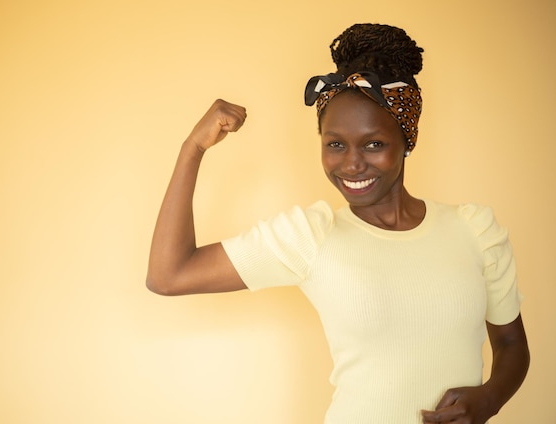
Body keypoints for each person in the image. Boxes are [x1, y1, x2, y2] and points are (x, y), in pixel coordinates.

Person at [146, 23, 530, 424]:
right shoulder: (310, 236)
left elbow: (510, 343)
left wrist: (490, 399)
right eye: (335, 144)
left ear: (406, 140)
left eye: (374, 144)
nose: (351, 164)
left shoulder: (474, 229)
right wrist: (193, 148)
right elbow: (168, 275)